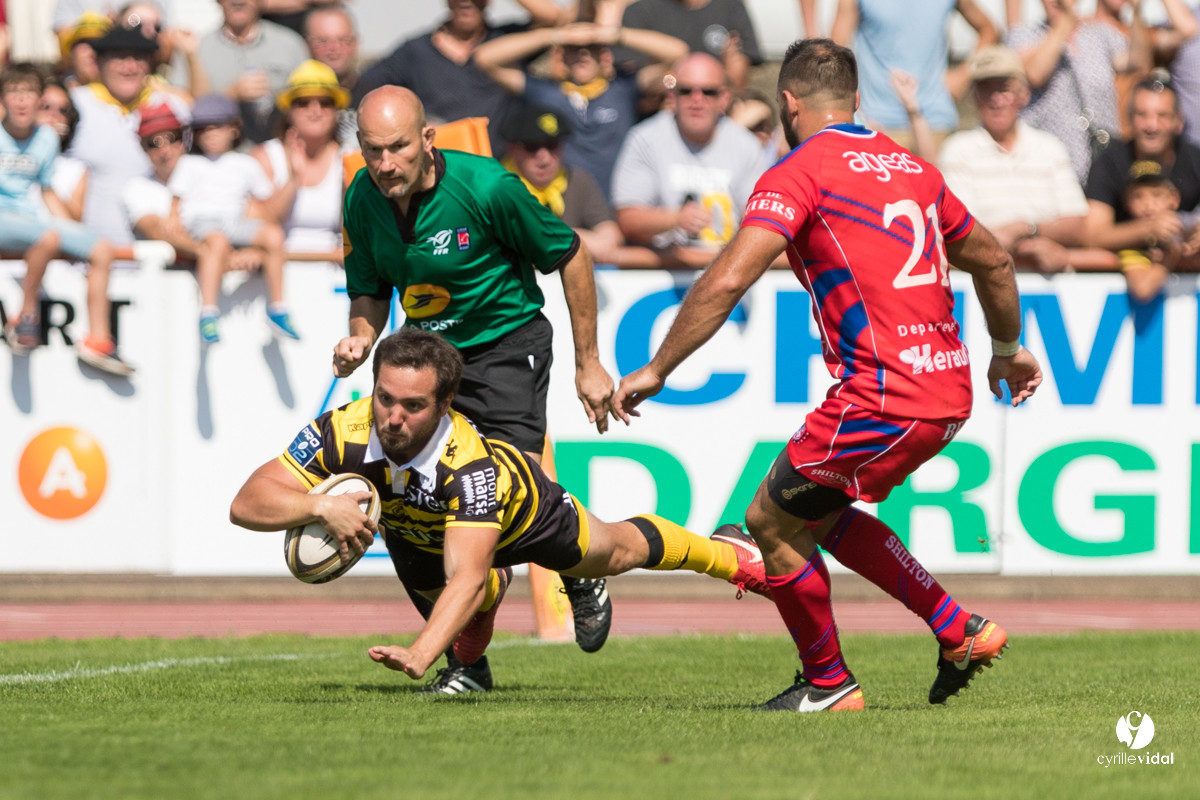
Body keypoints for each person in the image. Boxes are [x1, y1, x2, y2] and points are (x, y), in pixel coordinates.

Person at [615, 38, 1044, 712]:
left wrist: (657, 366)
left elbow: (729, 276)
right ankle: (960, 629)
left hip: (883, 392)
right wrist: (1008, 347)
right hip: (949, 387)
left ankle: (828, 683)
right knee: (819, 512)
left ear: (788, 103)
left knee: (768, 520)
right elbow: (993, 260)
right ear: (857, 101)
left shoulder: (799, 170)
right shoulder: (914, 169)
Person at [230, 327, 769, 691]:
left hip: (522, 513)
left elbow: (465, 576)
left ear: (445, 405)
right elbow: (246, 501)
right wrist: (320, 505)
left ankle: (730, 553)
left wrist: (419, 654)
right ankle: (471, 668)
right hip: (417, 533)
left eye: (413, 406)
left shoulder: (468, 467)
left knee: (616, 552)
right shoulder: (342, 427)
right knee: (467, 605)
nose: (392, 417)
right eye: (385, 398)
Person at [336, 85, 620, 671]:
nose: (385, 164)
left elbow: (572, 253)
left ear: (426, 140)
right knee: (412, 510)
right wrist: (362, 336)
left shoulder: (487, 186)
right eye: (372, 150)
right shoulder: (361, 197)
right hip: (428, 362)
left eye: (397, 148)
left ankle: (577, 564)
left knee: (505, 498)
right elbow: (369, 287)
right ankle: (466, 667)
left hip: (506, 348)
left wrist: (588, 362)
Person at [0, 62, 133, 376]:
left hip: (29, 220)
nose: (21, 100)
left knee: (100, 248)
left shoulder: (46, 139)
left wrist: (78, 233)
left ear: (38, 100)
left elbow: (46, 191)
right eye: (13, 92)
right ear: (3, 99)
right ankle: (26, 315)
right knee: (48, 238)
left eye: (29, 92)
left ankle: (99, 340)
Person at [939, 45, 1117, 275]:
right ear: (975, 98)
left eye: (1004, 90)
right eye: (986, 90)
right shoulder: (957, 150)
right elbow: (955, 232)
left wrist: (1027, 230)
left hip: (1048, 286)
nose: (996, 100)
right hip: (981, 281)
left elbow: (1079, 227)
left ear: (1023, 95)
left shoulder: (1050, 147)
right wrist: (1025, 244)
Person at [473, 20, 687, 199]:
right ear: (562, 55)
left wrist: (611, 34)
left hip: (617, 207)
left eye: (592, 47)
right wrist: (556, 35)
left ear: (604, 54)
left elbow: (678, 53)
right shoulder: (545, 91)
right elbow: (485, 58)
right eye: (574, 48)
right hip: (563, 209)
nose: (583, 53)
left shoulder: (623, 88)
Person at [610, 52, 765, 267]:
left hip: (729, 267)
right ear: (671, 97)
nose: (696, 100)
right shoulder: (644, 139)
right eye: (686, 91)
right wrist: (675, 219)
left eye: (708, 92)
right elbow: (628, 219)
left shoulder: (747, 146)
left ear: (724, 99)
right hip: (660, 267)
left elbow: (760, 224)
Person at [353, 0, 564, 156]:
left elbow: (554, 19)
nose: (466, 2)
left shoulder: (508, 42)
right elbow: (364, 89)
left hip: (497, 175)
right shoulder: (415, 52)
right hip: (441, 177)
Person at [171, 93, 299, 344]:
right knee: (216, 242)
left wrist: (255, 245)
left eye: (218, 126)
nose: (211, 134)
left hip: (234, 222)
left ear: (234, 128)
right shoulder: (188, 164)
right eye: (204, 129)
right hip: (202, 222)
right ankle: (208, 311)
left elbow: (264, 207)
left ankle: (278, 307)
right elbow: (175, 206)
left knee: (273, 235)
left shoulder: (246, 164)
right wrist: (174, 222)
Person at [68, 24, 189, 250]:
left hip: (163, 258)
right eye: (119, 57)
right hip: (90, 258)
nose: (129, 66)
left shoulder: (173, 108)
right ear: (99, 62)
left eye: (139, 57)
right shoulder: (74, 105)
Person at [1007, 0, 1150, 185]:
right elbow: (1035, 74)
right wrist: (1066, 21)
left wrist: (1137, 13)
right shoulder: (1025, 36)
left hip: (1099, 163)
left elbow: (1137, 62)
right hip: (1049, 168)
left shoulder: (1099, 34)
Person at [832, 0, 999, 153]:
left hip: (935, 122)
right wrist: (857, 116)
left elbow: (988, 30)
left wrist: (962, 75)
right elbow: (834, 54)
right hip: (877, 124)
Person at [1085, 76, 1200, 257]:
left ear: (1179, 122)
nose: (1151, 125)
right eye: (1142, 115)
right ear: (1129, 119)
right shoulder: (1109, 161)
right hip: (1129, 271)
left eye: (1162, 115)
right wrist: (1148, 229)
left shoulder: (1195, 159)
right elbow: (1093, 236)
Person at [252, 59, 346, 262]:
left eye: (325, 103)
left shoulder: (349, 158)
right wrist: (294, 178)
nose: (316, 110)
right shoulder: (265, 156)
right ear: (289, 110)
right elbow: (261, 222)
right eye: (303, 103)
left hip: (333, 280)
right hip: (273, 277)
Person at [197, 0, 309, 146]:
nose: (238, 2)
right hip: (222, 160)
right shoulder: (198, 49)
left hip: (281, 154)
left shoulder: (291, 44)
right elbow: (186, 112)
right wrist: (230, 95)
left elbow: (310, 100)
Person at [617, 0, 763, 92]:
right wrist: (716, 75)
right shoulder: (640, 11)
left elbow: (737, 83)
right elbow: (640, 85)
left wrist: (669, 74)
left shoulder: (731, 7)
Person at [1117, 159, 1200, 301]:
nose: (1148, 205)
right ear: (1127, 202)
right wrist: (1172, 254)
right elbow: (1142, 290)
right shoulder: (1133, 246)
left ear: (1174, 198)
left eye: (1157, 195)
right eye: (1138, 196)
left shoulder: (1186, 222)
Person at [302, 3, 360, 147]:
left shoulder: (375, 95)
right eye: (323, 41)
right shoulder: (296, 100)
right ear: (307, 44)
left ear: (355, 43)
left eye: (342, 40)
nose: (333, 49)